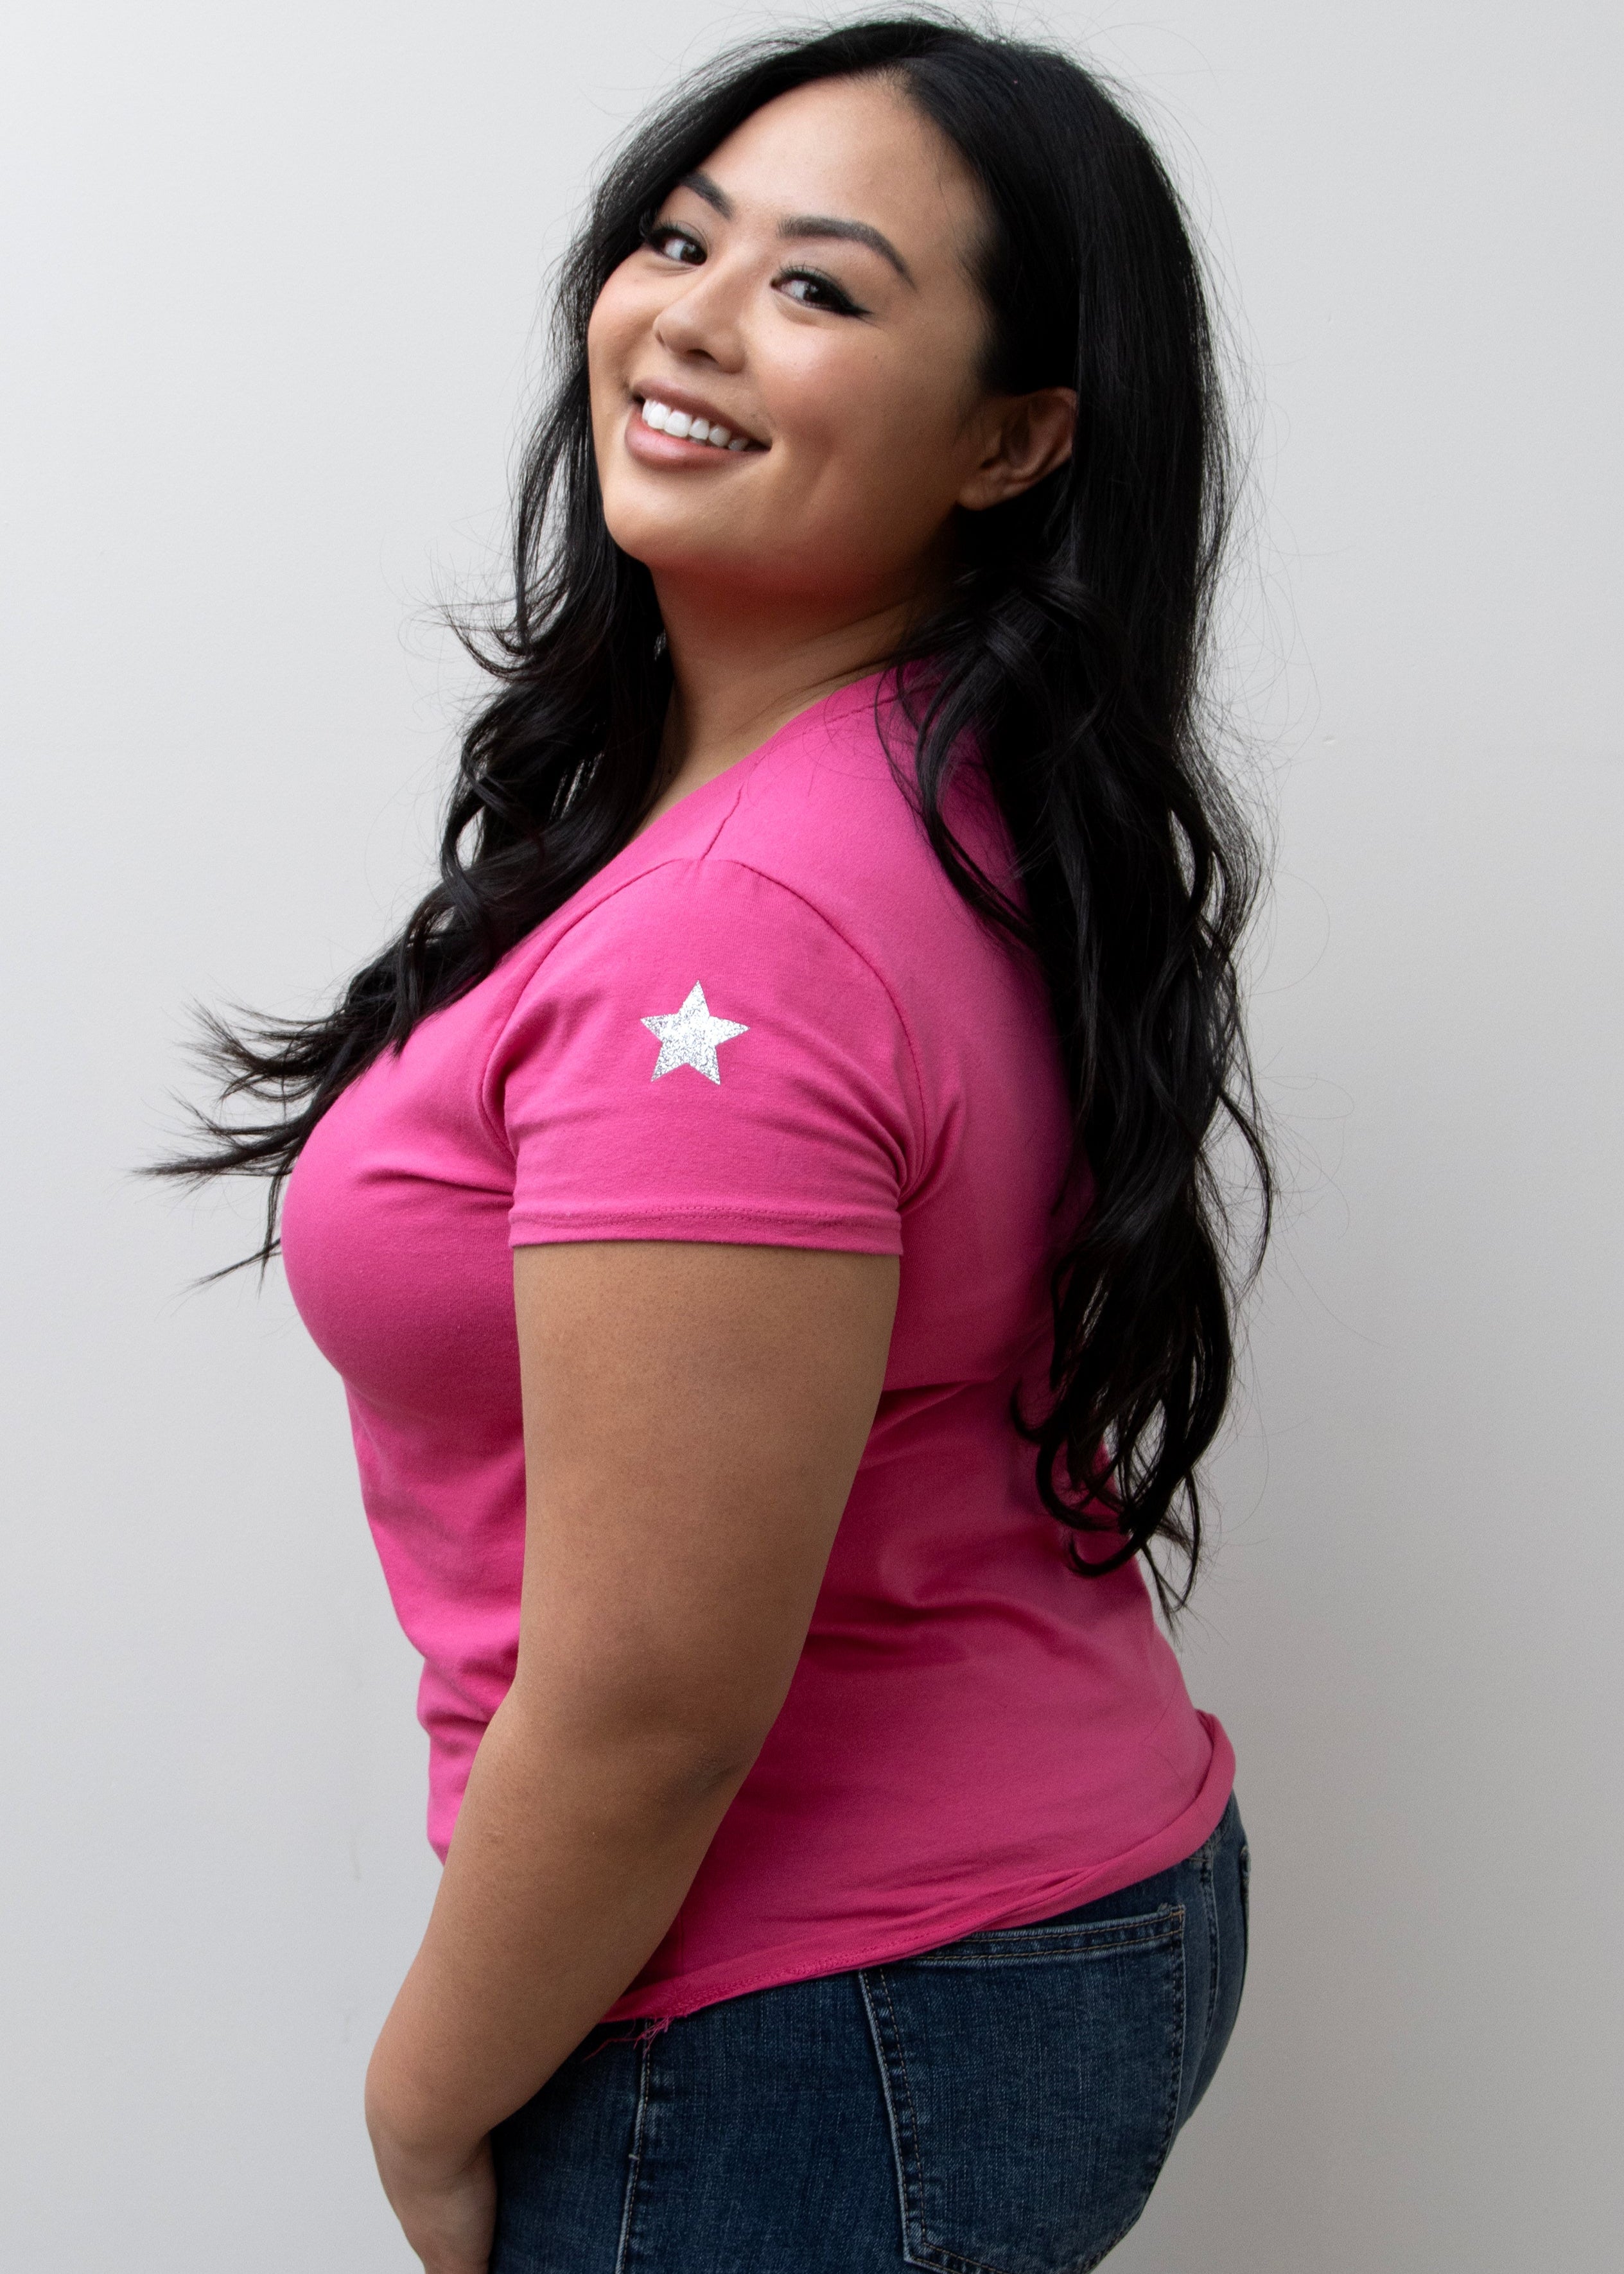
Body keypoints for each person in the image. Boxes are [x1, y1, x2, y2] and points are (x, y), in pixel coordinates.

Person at [162, 17, 1268, 2270]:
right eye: (680, 237)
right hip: (999, 1919)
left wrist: (423, 2094)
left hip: (805, 2005)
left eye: (821, 287)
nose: (689, 312)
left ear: (1014, 440)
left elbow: (655, 1696)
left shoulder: (744, 935)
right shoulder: (924, 791)